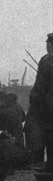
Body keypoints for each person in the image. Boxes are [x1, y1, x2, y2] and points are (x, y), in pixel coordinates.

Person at [28, 33, 53, 171]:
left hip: (48, 108)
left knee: (48, 135)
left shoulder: (46, 60)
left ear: (50, 45)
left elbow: (40, 88)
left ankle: (49, 167)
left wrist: (34, 101)